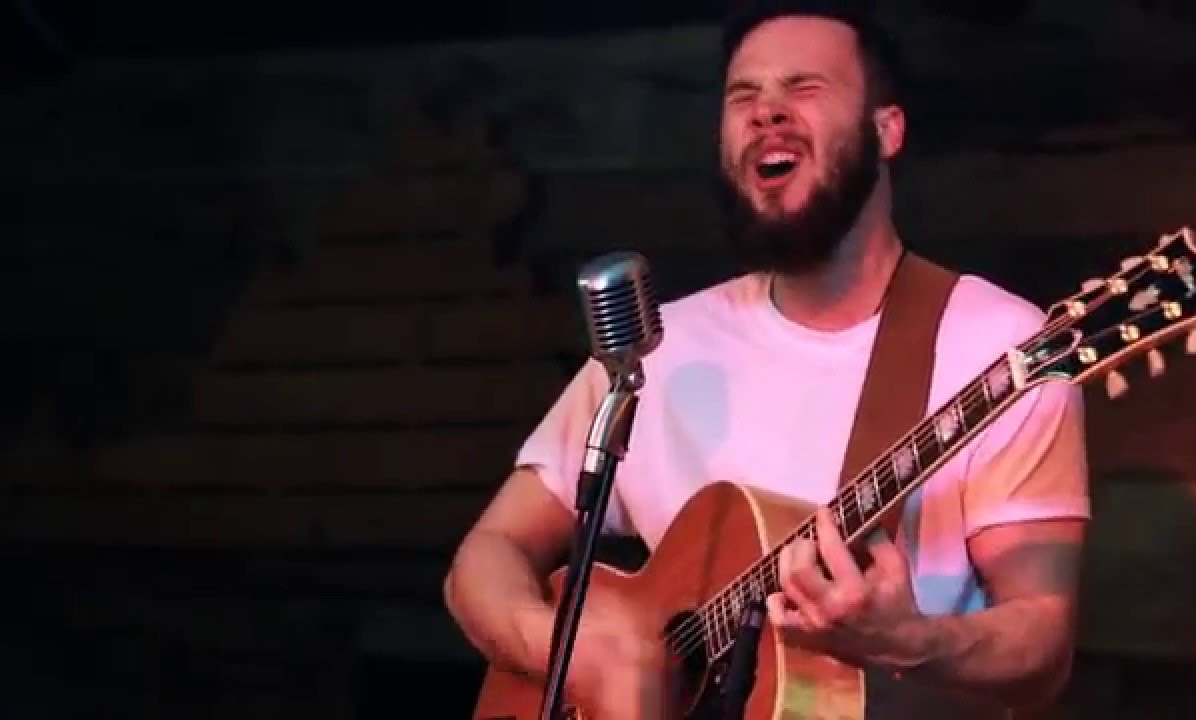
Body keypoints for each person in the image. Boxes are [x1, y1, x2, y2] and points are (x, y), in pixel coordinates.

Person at [443, 1, 1091, 718]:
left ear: (886, 130)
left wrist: (907, 638)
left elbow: (1044, 643)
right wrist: (576, 656)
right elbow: (489, 552)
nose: (766, 114)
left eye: (804, 88)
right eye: (743, 96)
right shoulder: (657, 351)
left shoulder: (1001, 347)